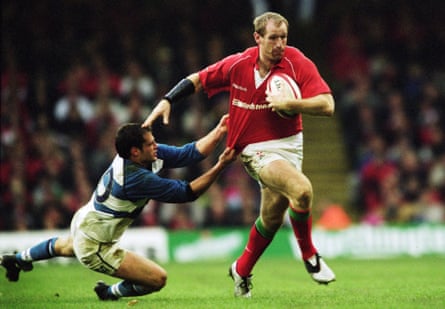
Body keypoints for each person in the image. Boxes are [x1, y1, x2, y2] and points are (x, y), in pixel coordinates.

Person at [142, 12, 336, 298]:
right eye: (272, 38)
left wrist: (291, 102)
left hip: (291, 145)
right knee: (302, 190)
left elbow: (327, 104)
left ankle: (241, 270)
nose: (279, 44)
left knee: (271, 218)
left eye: (283, 38)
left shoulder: (296, 62)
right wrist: (167, 100)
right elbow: (198, 79)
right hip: (253, 149)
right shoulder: (238, 63)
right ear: (257, 38)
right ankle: (309, 255)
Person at [0, 115, 236, 301]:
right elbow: (186, 192)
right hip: (96, 245)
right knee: (157, 279)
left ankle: (19, 259)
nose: (157, 147)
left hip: (86, 219)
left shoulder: (140, 155)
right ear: (135, 151)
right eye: (151, 144)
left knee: (65, 245)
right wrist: (220, 166)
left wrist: (219, 130)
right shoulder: (135, 178)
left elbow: (188, 154)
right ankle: (111, 292)